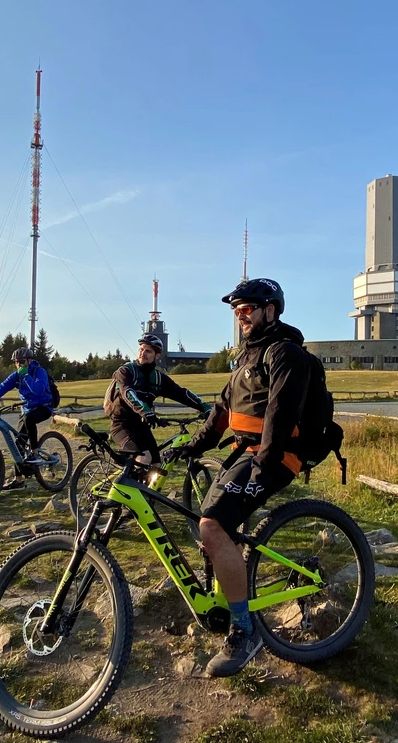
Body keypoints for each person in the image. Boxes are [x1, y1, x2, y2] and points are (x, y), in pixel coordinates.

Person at [166, 278, 310, 677]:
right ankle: (229, 589)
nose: (240, 315)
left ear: (271, 310)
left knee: (211, 526)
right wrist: (192, 447)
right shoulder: (246, 358)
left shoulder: (285, 353)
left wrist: (262, 466)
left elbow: (280, 416)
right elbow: (221, 412)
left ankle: (245, 632)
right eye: (236, 310)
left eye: (248, 308)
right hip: (244, 451)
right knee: (212, 527)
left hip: (277, 455)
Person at [104, 333, 208, 470]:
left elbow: (182, 393)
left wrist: (206, 408)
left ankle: (143, 489)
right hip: (121, 423)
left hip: (141, 425)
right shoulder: (126, 371)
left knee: (156, 466)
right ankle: (127, 489)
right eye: (141, 349)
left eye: (148, 351)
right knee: (144, 458)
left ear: (157, 356)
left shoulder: (158, 378)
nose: (143, 353)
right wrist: (146, 411)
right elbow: (127, 392)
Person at [0, 347, 54, 472]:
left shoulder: (39, 371)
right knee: (18, 444)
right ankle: (19, 479)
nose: (18, 364)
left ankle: (35, 452)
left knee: (29, 419)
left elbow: (38, 390)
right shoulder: (16, 376)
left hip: (44, 406)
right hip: (27, 410)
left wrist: (26, 375)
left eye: (21, 361)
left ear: (29, 360)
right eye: (16, 362)